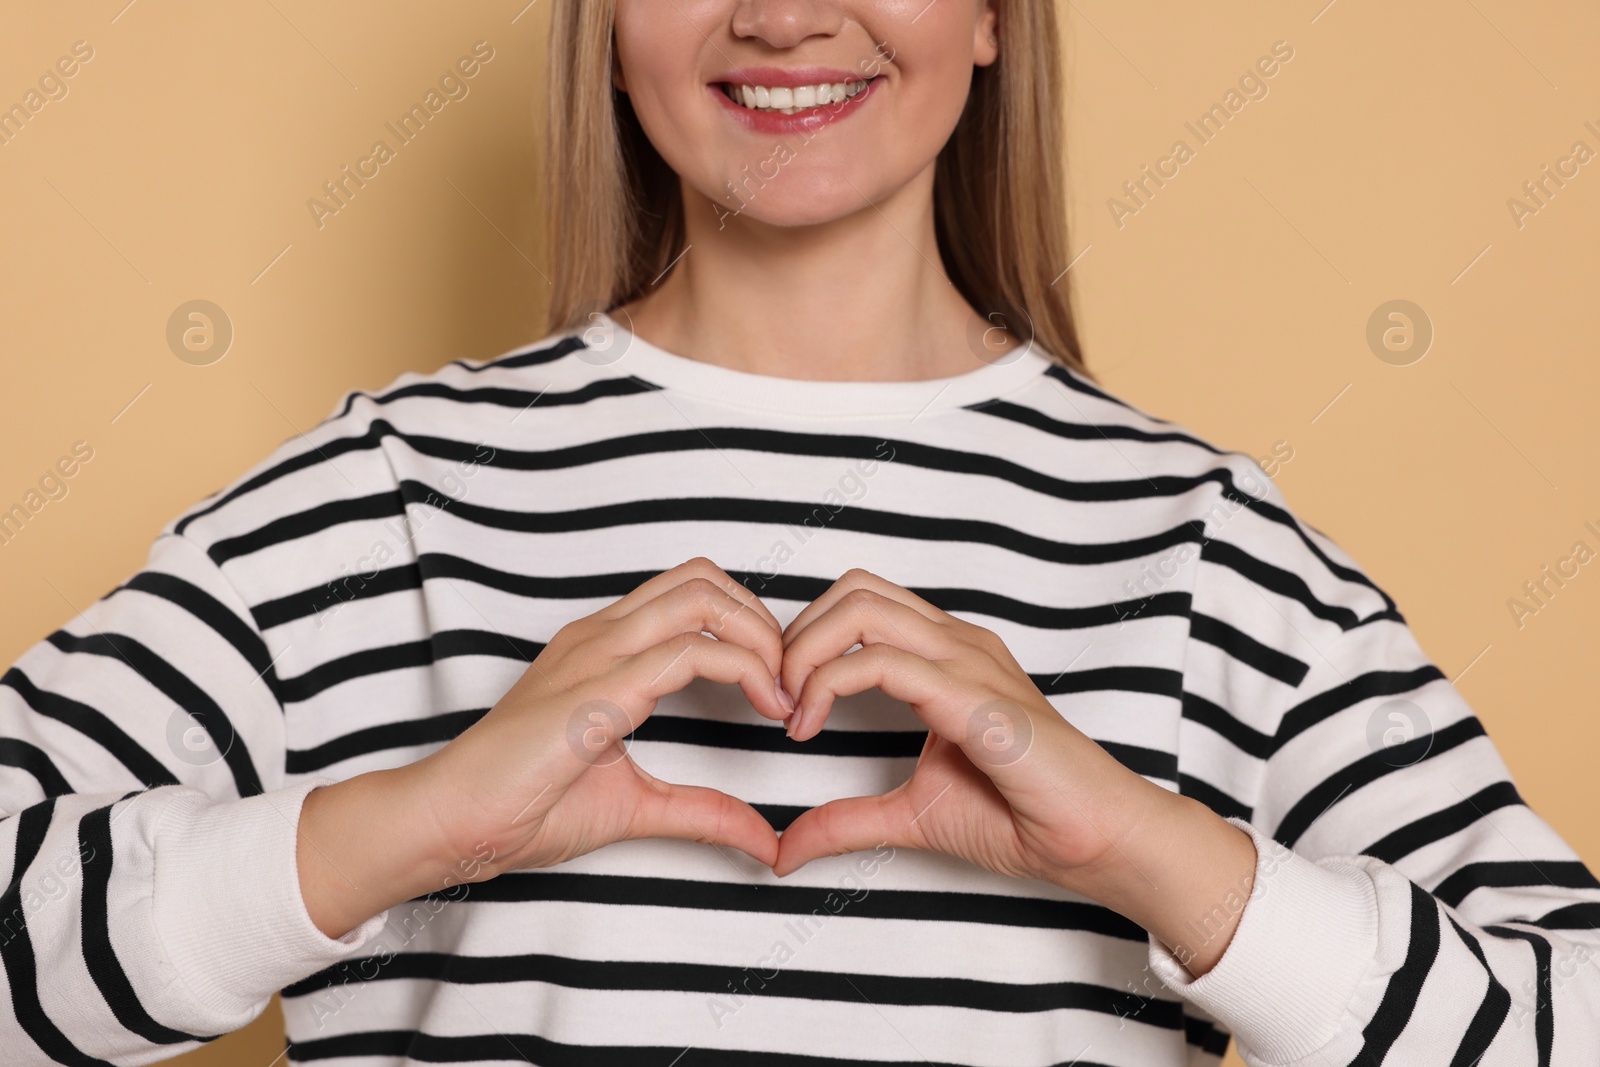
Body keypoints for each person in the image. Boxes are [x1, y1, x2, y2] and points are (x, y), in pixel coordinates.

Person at [2, 1, 1596, 1064]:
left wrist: (1151, 853)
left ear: (989, 16)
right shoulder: (387, 500)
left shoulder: (1203, 553)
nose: (779, 10)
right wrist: (409, 825)